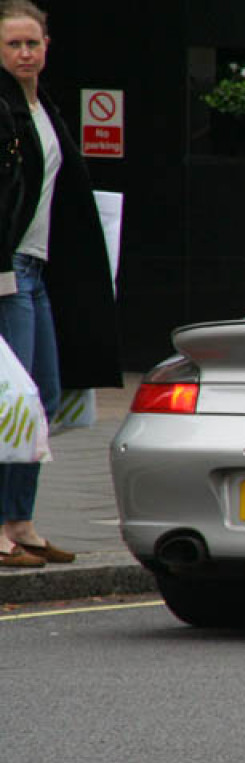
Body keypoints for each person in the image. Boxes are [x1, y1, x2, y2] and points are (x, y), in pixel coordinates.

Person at [0, 0, 121, 568]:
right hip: (9, 273)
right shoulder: (2, 107)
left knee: (41, 401)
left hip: (40, 272)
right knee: (9, 405)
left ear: (48, 45)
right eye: (13, 45)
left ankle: (20, 522)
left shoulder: (43, 106)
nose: (25, 53)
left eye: (33, 43)